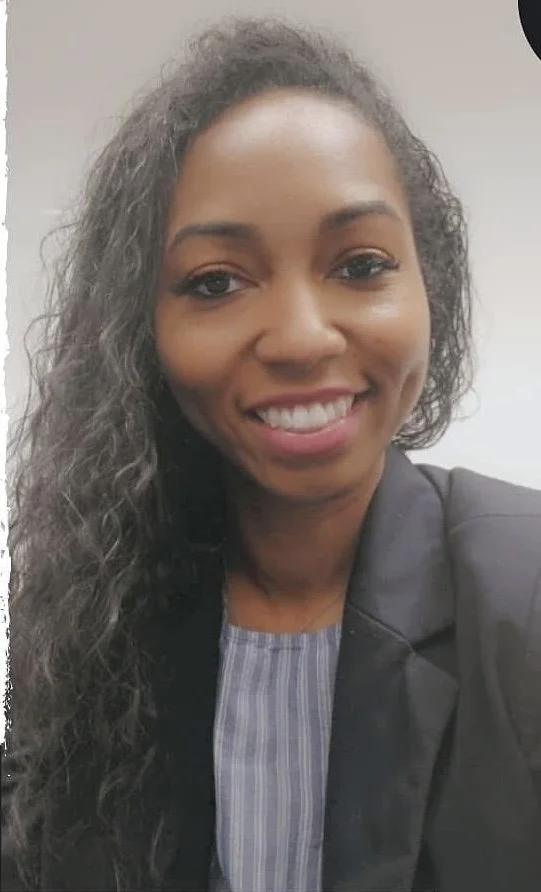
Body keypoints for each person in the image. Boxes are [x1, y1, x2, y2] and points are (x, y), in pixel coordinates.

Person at [2, 15, 540, 892]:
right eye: (216, 282)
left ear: (429, 284)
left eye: (359, 265)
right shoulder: (83, 627)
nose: (298, 337)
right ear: (140, 331)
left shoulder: (526, 593)